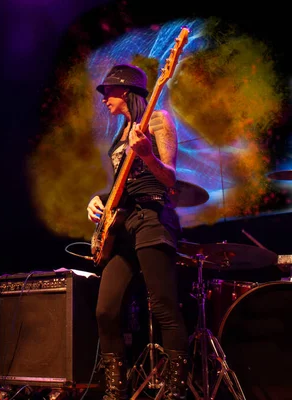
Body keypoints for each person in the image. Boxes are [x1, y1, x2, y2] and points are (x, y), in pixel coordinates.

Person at [86, 64, 189, 399]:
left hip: (152, 218)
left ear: (127, 91)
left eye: (108, 92)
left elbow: (170, 178)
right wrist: (98, 200)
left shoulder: (157, 120)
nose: (104, 100)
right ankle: (115, 390)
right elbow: (122, 184)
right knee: (105, 309)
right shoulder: (123, 131)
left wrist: (148, 155)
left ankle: (175, 388)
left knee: (163, 306)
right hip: (123, 224)